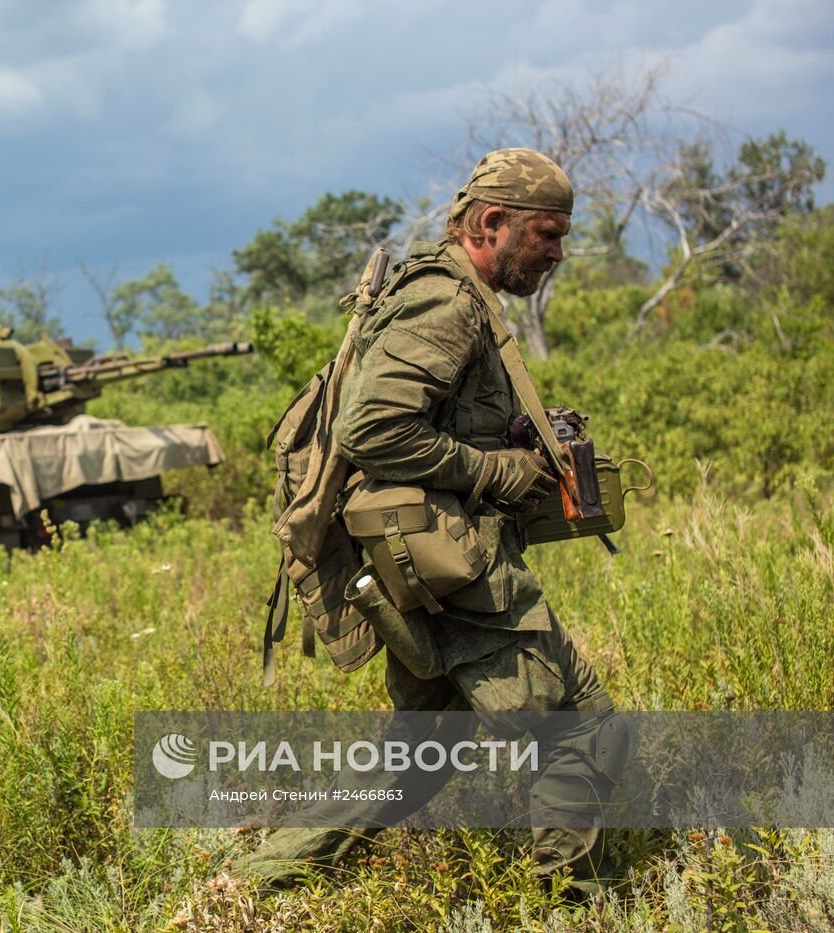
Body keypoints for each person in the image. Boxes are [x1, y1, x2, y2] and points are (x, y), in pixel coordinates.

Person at [233, 148, 628, 897]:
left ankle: (254, 881)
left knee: (415, 758)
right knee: (577, 725)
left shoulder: (458, 297)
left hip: (427, 561)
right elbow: (372, 429)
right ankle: (578, 902)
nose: (558, 251)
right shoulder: (447, 302)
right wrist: (495, 470)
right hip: (451, 562)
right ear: (490, 222)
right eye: (547, 233)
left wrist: (511, 435)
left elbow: (426, 421)